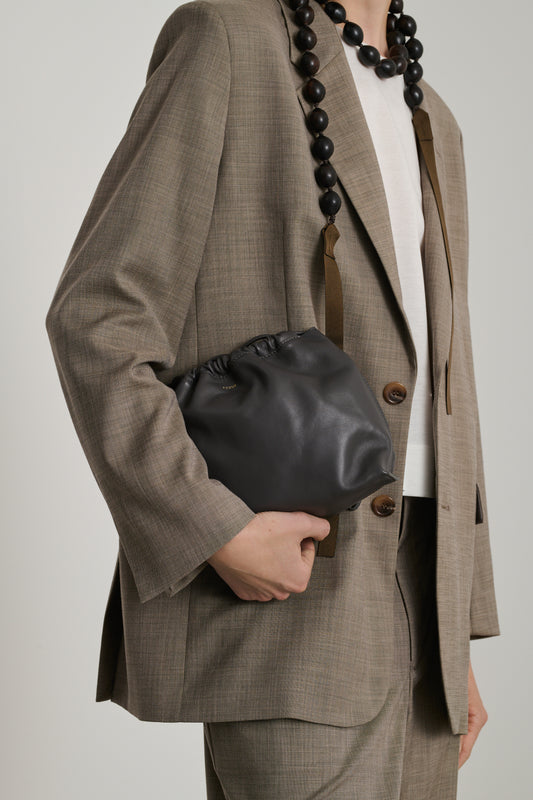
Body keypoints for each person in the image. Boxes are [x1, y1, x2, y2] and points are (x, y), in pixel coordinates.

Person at [45, 0, 501, 797]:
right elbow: (98, 317)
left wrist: (454, 628)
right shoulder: (228, 41)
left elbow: (445, 381)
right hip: (292, 595)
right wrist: (213, 528)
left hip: (422, 602)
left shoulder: (434, 117)